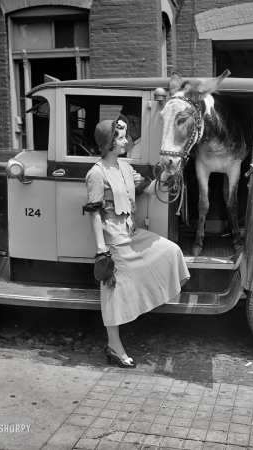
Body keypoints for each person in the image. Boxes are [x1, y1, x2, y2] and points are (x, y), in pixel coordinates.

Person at [84, 115, 190, 368]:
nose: (126, 141)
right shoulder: (96, 174)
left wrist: (167, 172)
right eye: (120, 138)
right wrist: (101, 250)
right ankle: (114, 346)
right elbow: (94, 212)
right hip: (114, 240)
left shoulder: (125, 168)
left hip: (132, 233)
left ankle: (142, 309)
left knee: (171, 250)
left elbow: (150, 189)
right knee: (113, 291)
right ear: (109, 143)